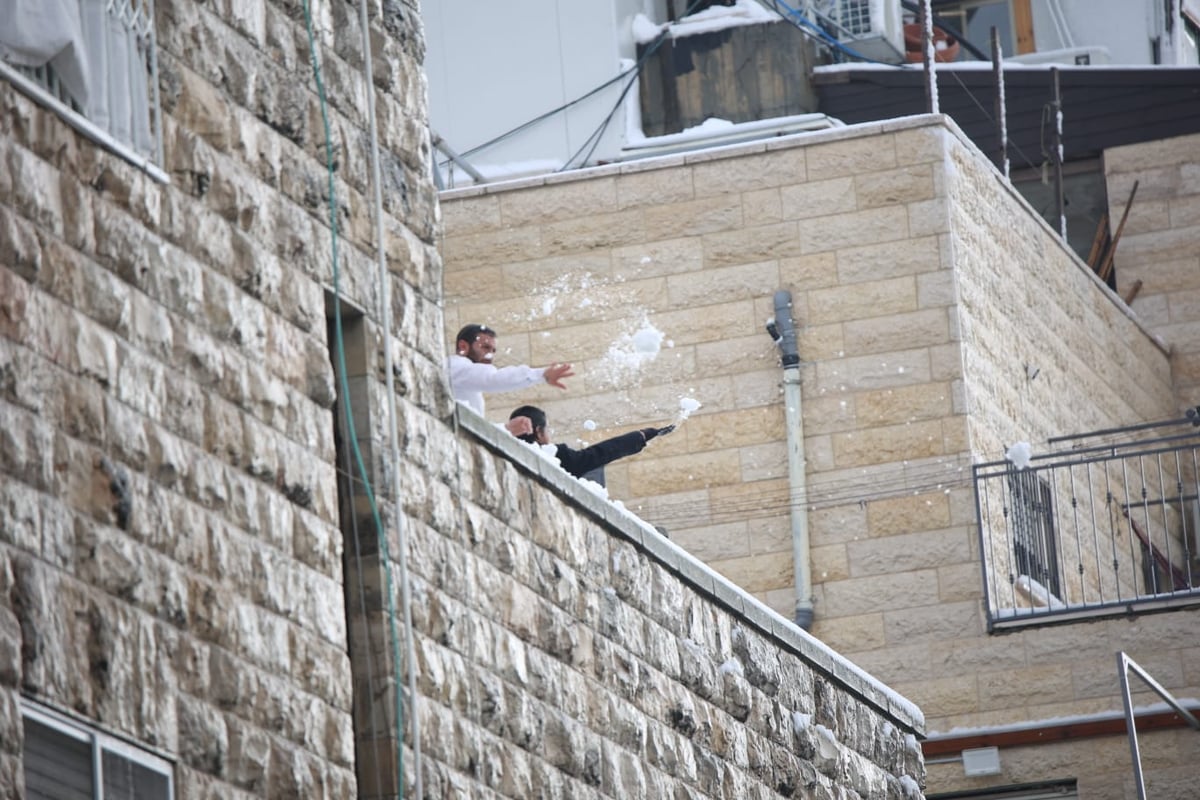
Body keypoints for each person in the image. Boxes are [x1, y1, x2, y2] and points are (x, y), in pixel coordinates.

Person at [508, 405, 674, 483]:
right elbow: (599, 454)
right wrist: (640, 436)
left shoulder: (505, 457)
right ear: (538, 432)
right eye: (547, 430)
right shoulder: (556, 459)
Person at [447, 323, 574, 415]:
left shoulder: (463, 374)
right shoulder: (456, 366)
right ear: (463, 346)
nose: (490, 356)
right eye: (485, 347)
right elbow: (493, 379)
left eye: (493, 350)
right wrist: (541, 375)